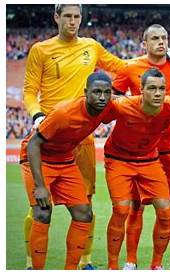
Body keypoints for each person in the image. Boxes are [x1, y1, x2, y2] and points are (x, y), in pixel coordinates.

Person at [21, 4, 126, 270]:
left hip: (83, 138)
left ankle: (85, 261)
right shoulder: (41, 50)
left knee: (85, 202)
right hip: (51, 128)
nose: (72, 21)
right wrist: (37, 115)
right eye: (66, 15)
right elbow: (30, 90)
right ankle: (31, 261)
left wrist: (157, 57)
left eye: (76, 16)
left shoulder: (91, 46)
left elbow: (121, 67)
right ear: (56, 17)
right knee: (39, 208)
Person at [112, 24, 170, 270]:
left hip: (168, 148)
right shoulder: (130, 68)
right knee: (135, 207)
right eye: (155, 38)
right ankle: (131, 262)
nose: (161, 42)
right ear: (144, 43)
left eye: (164, 38)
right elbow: (113, 100)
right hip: (140, 152)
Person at [104, 68, 170, 270]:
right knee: (122, 209)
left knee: (166, 212)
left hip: (149, 160)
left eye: (161, 89)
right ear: (141, 90)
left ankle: (156, 265)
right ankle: (113, 266)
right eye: (152, 89)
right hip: (118, 159)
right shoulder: (123, 105)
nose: (157, 93)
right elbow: (95, 110)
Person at [20, 72, 115, 270]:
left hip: (65, 159)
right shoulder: (64, 113)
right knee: (43, 211)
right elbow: (33, 145)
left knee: (83, 213)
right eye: (97, 92)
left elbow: (134, 103)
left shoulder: (107, 107)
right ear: (85, 93)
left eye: (107, 93)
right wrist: (40, 186)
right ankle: (36, 269)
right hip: (38, 157)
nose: (102, 97)